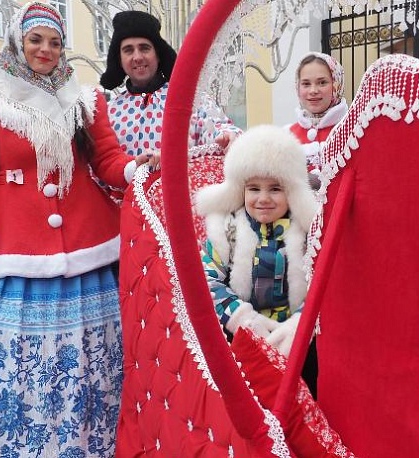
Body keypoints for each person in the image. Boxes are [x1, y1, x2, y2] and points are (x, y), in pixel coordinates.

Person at [0, 3, 159, 456]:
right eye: (36, 39)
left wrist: (135, 170)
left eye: (55, 42)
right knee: (8, 363)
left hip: (84, 249)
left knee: (88, 361)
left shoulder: (84, 100)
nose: (45, 49)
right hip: (10, 252)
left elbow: (107, 159)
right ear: (17, 42)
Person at [196, 124, 319, 395]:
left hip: (301, 341)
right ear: (240, 190)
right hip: (241, 339)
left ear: (292, 191)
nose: (263, 199)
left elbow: (325, 283)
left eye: (275, 189)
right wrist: (243, 319)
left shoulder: (310, 232)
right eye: (253, 188)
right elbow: (206, 280)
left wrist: (300, 324)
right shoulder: (225, 228)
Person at [99, 10, 241, 159]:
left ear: (158, 54)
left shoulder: (189, 99)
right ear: (119, 59)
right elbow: (101, 164)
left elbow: (217, 128)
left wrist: (230, 136)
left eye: (144, 48)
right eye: (128, 50)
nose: (137, 57)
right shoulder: (111, 112)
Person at [289, 52, 348, 173]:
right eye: (306, 84)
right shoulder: (286, 136)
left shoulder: (353, 132)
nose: (313, 90)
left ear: (337, 85)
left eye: (322, 82)